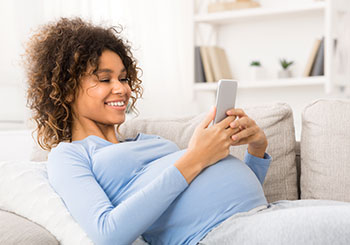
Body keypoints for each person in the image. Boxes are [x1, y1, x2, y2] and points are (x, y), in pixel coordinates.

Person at [24, 17, 350, 245]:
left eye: (123, 78)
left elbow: (236, 194)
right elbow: (108, 233)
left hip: (264, 213)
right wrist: (195, 158)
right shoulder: (70, 155)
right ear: (66, 89)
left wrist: (256, 149)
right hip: (218, 234)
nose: (121, 88)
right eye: (104, 78)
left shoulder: (149, 141)